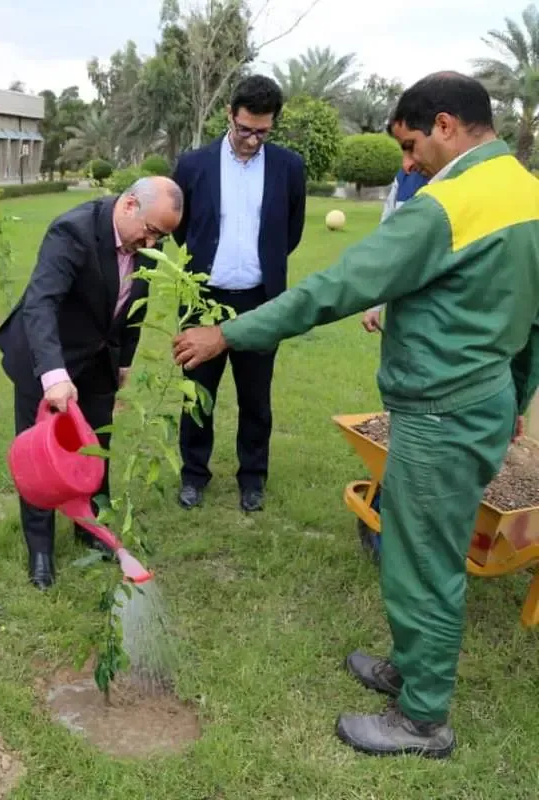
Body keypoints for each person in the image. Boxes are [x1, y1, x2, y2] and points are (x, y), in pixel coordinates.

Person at [172, 72, 539, 758]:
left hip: (440, 414)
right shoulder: (527, 191)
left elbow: (339, 286)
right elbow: (537, 321)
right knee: (412, 540)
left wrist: (228, 334)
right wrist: (515, 399)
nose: (407, 163)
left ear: (447, 126)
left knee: (423, 563)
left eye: (409, 144)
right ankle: (413, 666)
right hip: (481, 401)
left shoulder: (450, 205)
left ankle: (422, 718)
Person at [0, 176, 184, 590]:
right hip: (47, 357)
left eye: (161, 237)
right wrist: (54, 376)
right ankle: (40, 550)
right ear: (130, 205)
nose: (152, 245)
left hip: (99, 357)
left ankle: (90, 527)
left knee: (97, 447)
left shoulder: (148, 243)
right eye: (150, 232)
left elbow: (135, 307)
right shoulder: (72, 231)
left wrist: (125, 364)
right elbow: (41, 304)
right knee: (40, 455)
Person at [169, 75, 307, 513]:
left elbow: (292, 231)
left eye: (262, 132)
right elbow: (181, 228)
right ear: (230, 114)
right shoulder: (194, 164)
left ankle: (252, 478)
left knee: (255, 396)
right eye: (245, 128)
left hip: (260, 301)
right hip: (202, 298)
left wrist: (256, 263)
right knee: (197, 395)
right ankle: (194, 475)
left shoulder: (289, 167)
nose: (252, 140)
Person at [361, 166, 430, 333]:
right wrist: (375, 306)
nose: (406, 163)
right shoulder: (404, 177)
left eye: (411, 147)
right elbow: (386, 243)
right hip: (403, 313)